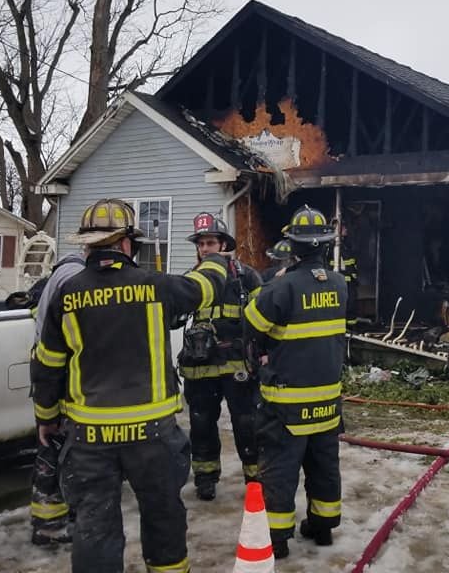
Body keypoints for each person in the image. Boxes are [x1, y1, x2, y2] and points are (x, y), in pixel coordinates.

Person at [30, 199, 229, 573]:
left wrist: (46, 418)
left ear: (88, 246)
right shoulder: (156, 286)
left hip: (89, 439)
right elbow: (205, 288)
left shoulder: (65, 294)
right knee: (163, 518)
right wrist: (217, 257)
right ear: (126, 244)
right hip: (153, 436)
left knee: (95, 526)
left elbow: (48, 365)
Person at [242, 205, 348, 560]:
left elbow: (252, 325)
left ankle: (278, 538)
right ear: (324, 245)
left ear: (294, 245)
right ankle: (322, 528)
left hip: (287, 404)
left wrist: (271, 285)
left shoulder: (281, 287)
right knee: (324, 466)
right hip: (328, 401)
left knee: (281, 471)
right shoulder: (339, 284)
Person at [178, 212, 263, 501]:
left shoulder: (246, 276)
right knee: (201, 422)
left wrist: (262, 354)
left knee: (246, 421)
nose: (205, 249)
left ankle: (255, 474)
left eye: (210, 242)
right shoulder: (191, 279)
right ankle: (205, 476)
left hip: (237, 363)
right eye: (201, 244)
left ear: (223, 245)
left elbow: (263, 317)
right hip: (201, 366)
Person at [26, 250, 86, 547]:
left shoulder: (53, 280)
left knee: (49, 446)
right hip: (63, 375)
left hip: (46, 372)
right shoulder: (74, 278)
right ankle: (63, 520)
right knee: (65, 448)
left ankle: (46, 522)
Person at [333, 220, 360, 330]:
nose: (346, 229)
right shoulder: (332, 247)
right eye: (343, 228)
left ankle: (351, 329)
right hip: (342, 282)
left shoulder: (345, 245)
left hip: (349, 281)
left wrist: (354, 276)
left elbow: (350, 262)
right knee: (346, 305)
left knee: (351, 305)